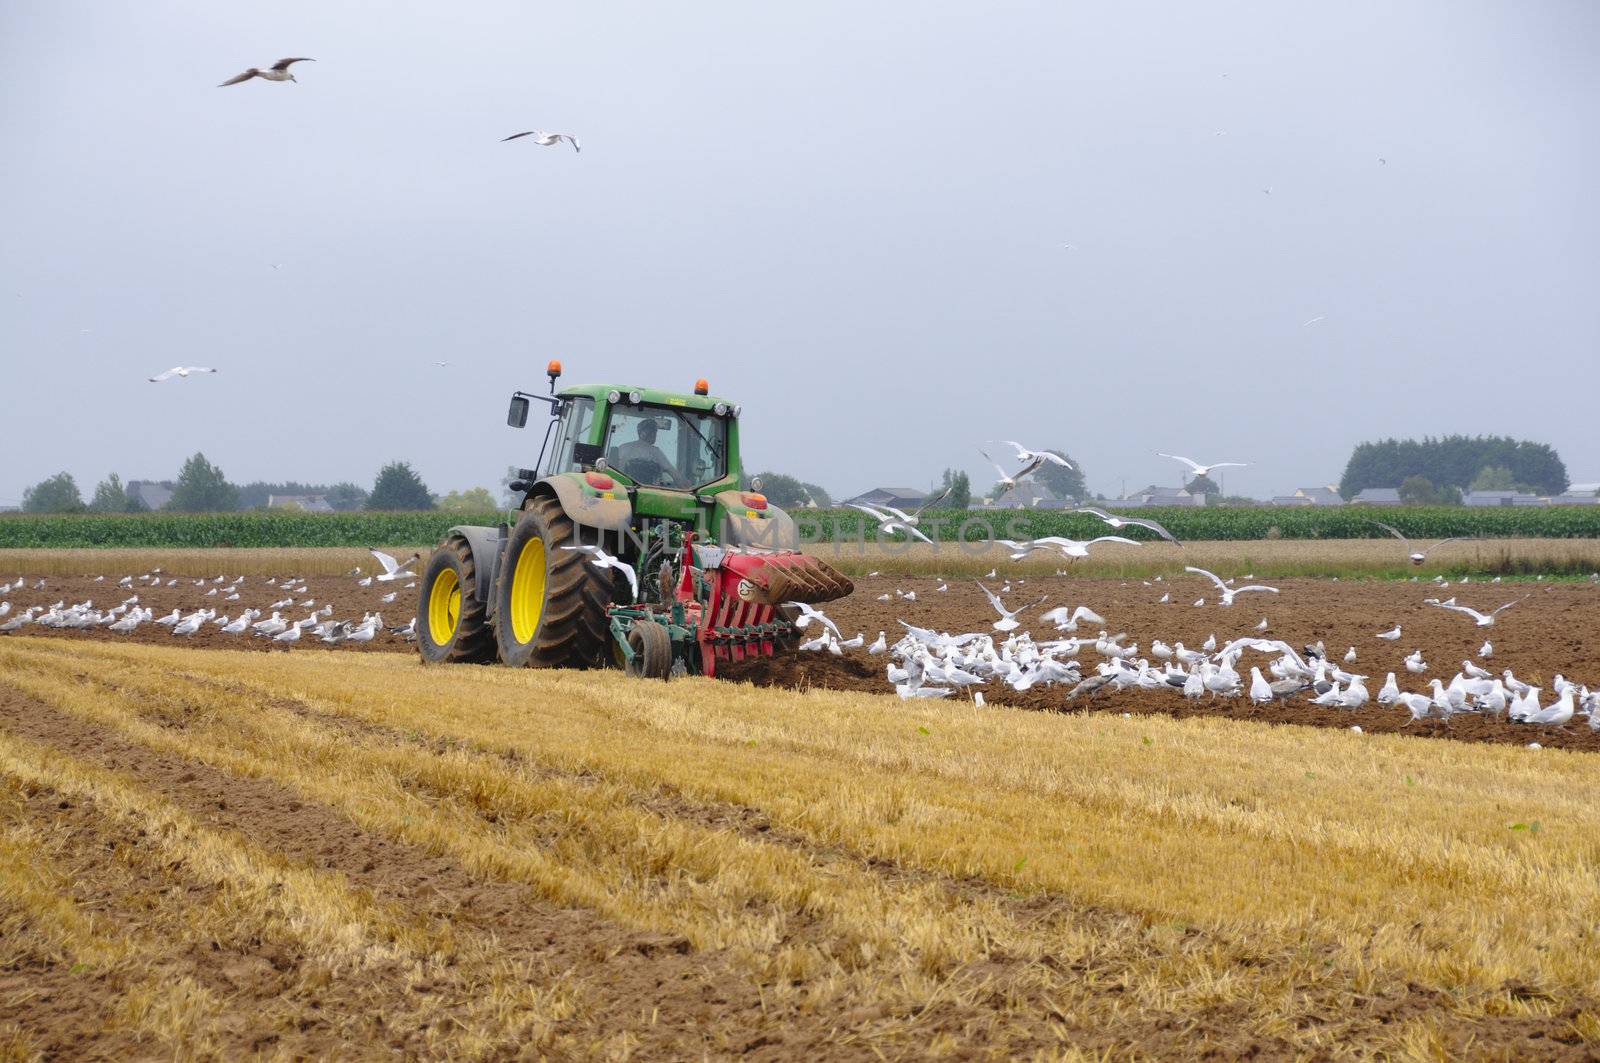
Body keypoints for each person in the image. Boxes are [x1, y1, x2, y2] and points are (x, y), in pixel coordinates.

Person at [613, 418, 683, 486]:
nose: (655, 435)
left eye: (655, 432)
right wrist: (686, 486)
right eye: (653, 432)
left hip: (623, 486)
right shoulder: (655, 452)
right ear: (643, 433)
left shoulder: (623, 447)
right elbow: (674, 474)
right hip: (649, 490)